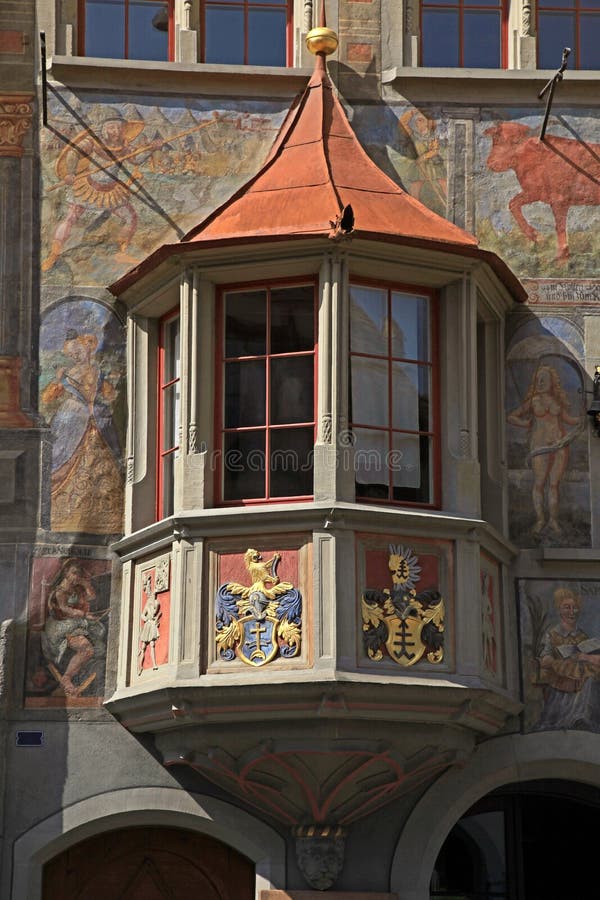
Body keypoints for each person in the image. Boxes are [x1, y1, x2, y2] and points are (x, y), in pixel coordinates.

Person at [42, 111, 160, 272]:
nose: (116, 131)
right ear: (104, 129)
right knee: (70, 217)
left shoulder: (124, 145)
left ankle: (122, 252)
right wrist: (70, 172)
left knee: (130, 217)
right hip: (88, 188)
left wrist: (152, 149)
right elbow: (73, 153)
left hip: (111, 191)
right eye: (111, 127)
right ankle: (54, 254)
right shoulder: (92, 142)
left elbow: (136, 159)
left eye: (119, 128)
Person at [41, 329, 123, 533]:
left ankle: (106, 515)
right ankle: (64, 515)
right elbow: (47, 399)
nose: (75, 356)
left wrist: (112, 385)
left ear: (88, 347)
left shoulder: (98, 372)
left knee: (101, 465)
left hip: (94, 421)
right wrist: (57, 382)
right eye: (71, 353)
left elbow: (110, 395)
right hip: (71, 422)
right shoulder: (67, 373)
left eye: (78, 350)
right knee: (64, 462)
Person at [507, 364, 582, 534]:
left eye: (544, 379)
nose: (540, 383)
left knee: (554, 485)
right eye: (537, 380)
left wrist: (583, 417)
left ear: (552, 382)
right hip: (539, 447)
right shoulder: (533, 401)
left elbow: (569, 420)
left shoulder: (557, 402)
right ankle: (540, 520)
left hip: (559, 445)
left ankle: (553, 521)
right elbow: (511, 417)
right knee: (539, 484)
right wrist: (525, 423)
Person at [535, 587, 600, 732]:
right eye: (567, 607)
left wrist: (584, 656)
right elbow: (545, 656)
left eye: (574, 608)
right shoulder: (552, 634)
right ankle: (568, 716)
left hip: (580, 673)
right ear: (559, 610)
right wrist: (550, 659)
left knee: (590, 679)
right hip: (560, 674)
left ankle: (582, 715)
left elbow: (586, 652)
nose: (572, 612)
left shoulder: (582, 636)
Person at [41, 559, 106, 697]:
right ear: (65, 572)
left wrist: (85, 583)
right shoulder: (60, 591)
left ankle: (78, 673)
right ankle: (66, 678)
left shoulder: (77, 588)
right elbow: (64, 610)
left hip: (78, 623)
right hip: (61, 625)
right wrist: (84, 615)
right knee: (86, 648)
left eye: (78, 574)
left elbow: (92, 596)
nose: (76, 576)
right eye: (74, 573)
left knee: (98, 643)